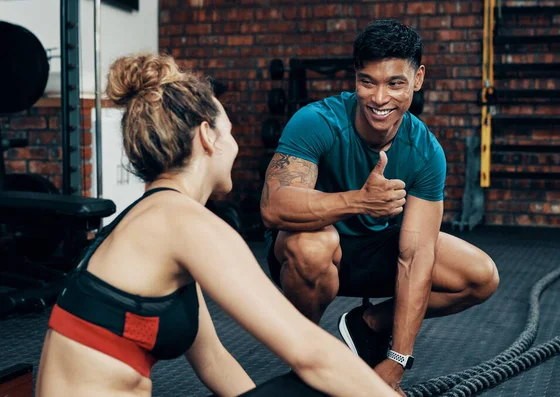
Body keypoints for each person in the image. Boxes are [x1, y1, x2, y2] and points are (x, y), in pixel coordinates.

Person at [35, 53, 401, 397]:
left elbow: (213, 361)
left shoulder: (154, 219)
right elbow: (310, 352)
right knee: (322, 384)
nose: (235, 144)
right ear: (207, 136)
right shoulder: (185, 223)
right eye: (229, 131)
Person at [260, 19, 500, 395]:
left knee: (480, 275)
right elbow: (273, 208)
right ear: (355, 77)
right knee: (311, 246)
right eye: (368, 82)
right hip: (315, 251)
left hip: (380, 251)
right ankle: (305, 360)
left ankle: (367, 324)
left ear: (418, 79)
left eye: (395, 83)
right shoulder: (316, 121)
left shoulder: (425, 151)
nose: (379, 98)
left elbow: (416, 256)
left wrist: (396, 362)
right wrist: (360, 201)